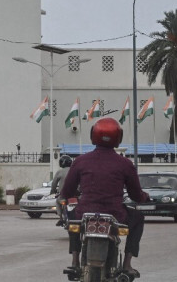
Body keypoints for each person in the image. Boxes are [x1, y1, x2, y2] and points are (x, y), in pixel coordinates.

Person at [60, 117, 149, 278]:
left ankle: (74, 259)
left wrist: (75, 196)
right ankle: (127, 264)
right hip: (116, 215)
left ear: (93, 135)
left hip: (84, 213)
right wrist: (144, 197)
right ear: (118, 138)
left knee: (71, 219)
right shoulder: (125, 164)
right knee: (138, 218)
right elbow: (136, 195)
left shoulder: (80, 161)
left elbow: (66, 192)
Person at [52, 154, 73, 227]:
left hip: (63, 195)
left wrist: (52, 191)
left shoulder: (60, 172)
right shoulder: (74, 170)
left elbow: (54, 183)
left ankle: (61, 218)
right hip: (74, 195)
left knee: (57, 202)